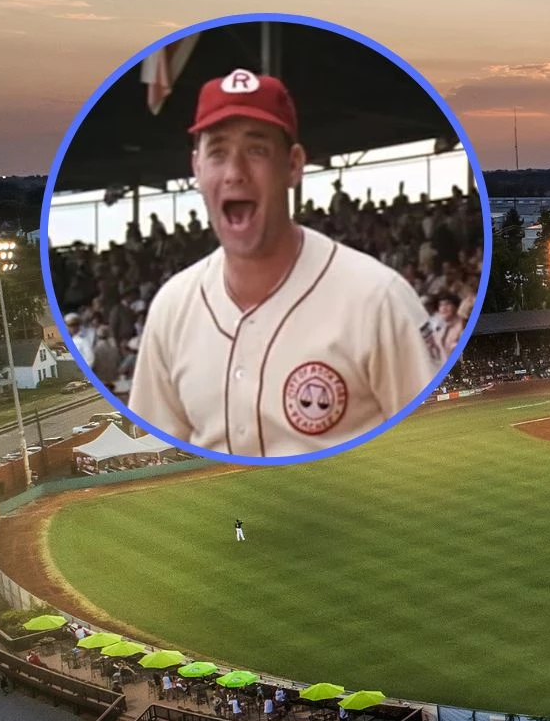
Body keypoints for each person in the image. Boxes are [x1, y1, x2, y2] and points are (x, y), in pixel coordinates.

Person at [128, 69, 439, 457]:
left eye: (256, 150)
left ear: (293, 165)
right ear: (197, 168)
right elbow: (153, 460)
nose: (235, 173)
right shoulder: (171, 308)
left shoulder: (379, 299)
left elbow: (431, 449)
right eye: (218, 152)